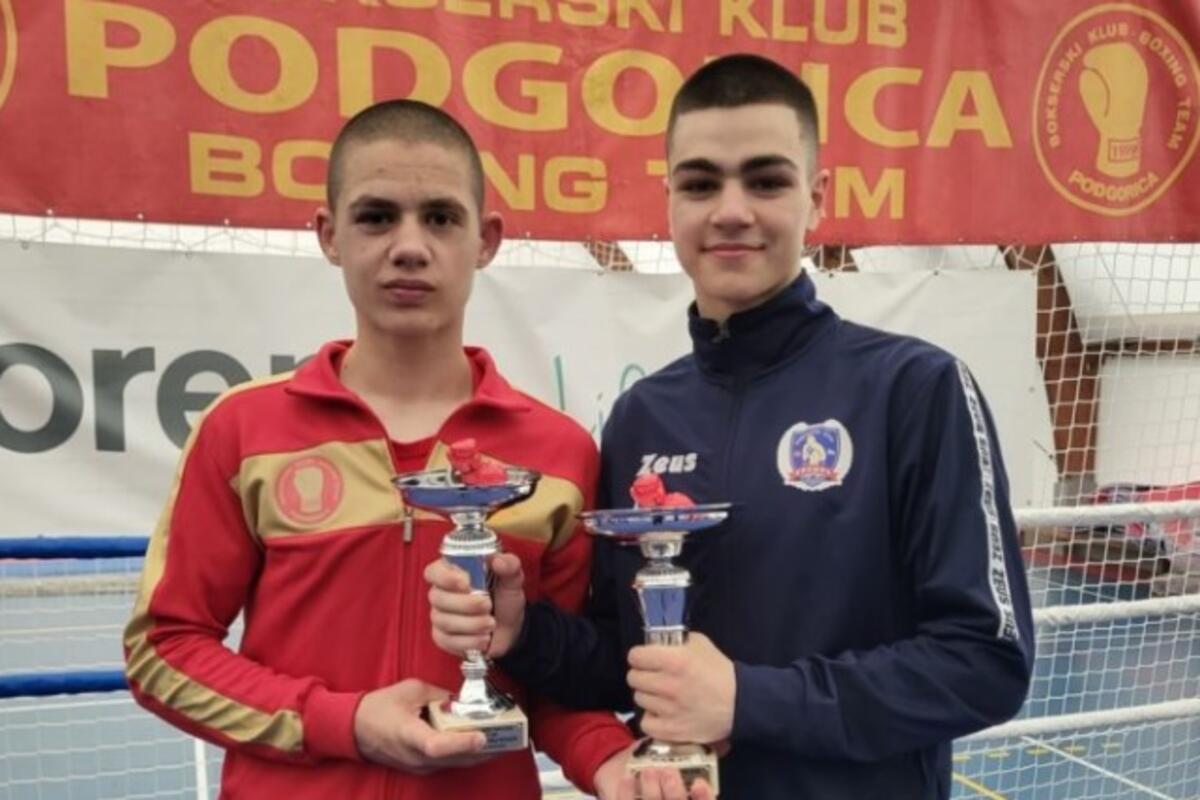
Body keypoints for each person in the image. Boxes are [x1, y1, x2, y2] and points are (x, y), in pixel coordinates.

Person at [426, 54, 1036, 799]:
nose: (731, 210)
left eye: (766, 181)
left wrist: (751, 701)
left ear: (816, 198)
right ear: (669, 202)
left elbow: (986, 661)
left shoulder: (915, 389)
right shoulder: (643, 414)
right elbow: (625, 657)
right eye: (701, 183)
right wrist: (524, 632)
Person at [122, 99, 639, 799]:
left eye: (441, 218)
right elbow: (164, 651)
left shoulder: (560, 453)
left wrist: (611, 760)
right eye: (376, 217)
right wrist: (345, 721)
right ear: (329, 235)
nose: (409, 246)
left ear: (485, 239)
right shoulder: (242, 429)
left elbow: (554, 680)